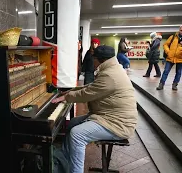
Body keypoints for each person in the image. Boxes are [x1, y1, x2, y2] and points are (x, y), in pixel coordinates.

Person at [52, 45, 138, 173]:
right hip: (108, 116)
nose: (93, 62)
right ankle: (65, 161)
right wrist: (69, 91)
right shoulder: (112, 69)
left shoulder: (110, 75)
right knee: (73, 122)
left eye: (94, 59)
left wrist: (66, 97)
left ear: (99, 59)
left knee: (77, 134)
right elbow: (91, 87)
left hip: (118, 124)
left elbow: (87, 93)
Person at [157, 26, 182, 90]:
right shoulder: (173, 37)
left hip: (180, 59)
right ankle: (161, 84)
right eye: (181, 30)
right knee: (166, 71)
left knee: (179, 72)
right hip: (170, 57)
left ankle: (175, 84)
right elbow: (165, 44)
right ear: (179, 30)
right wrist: (168, 52)